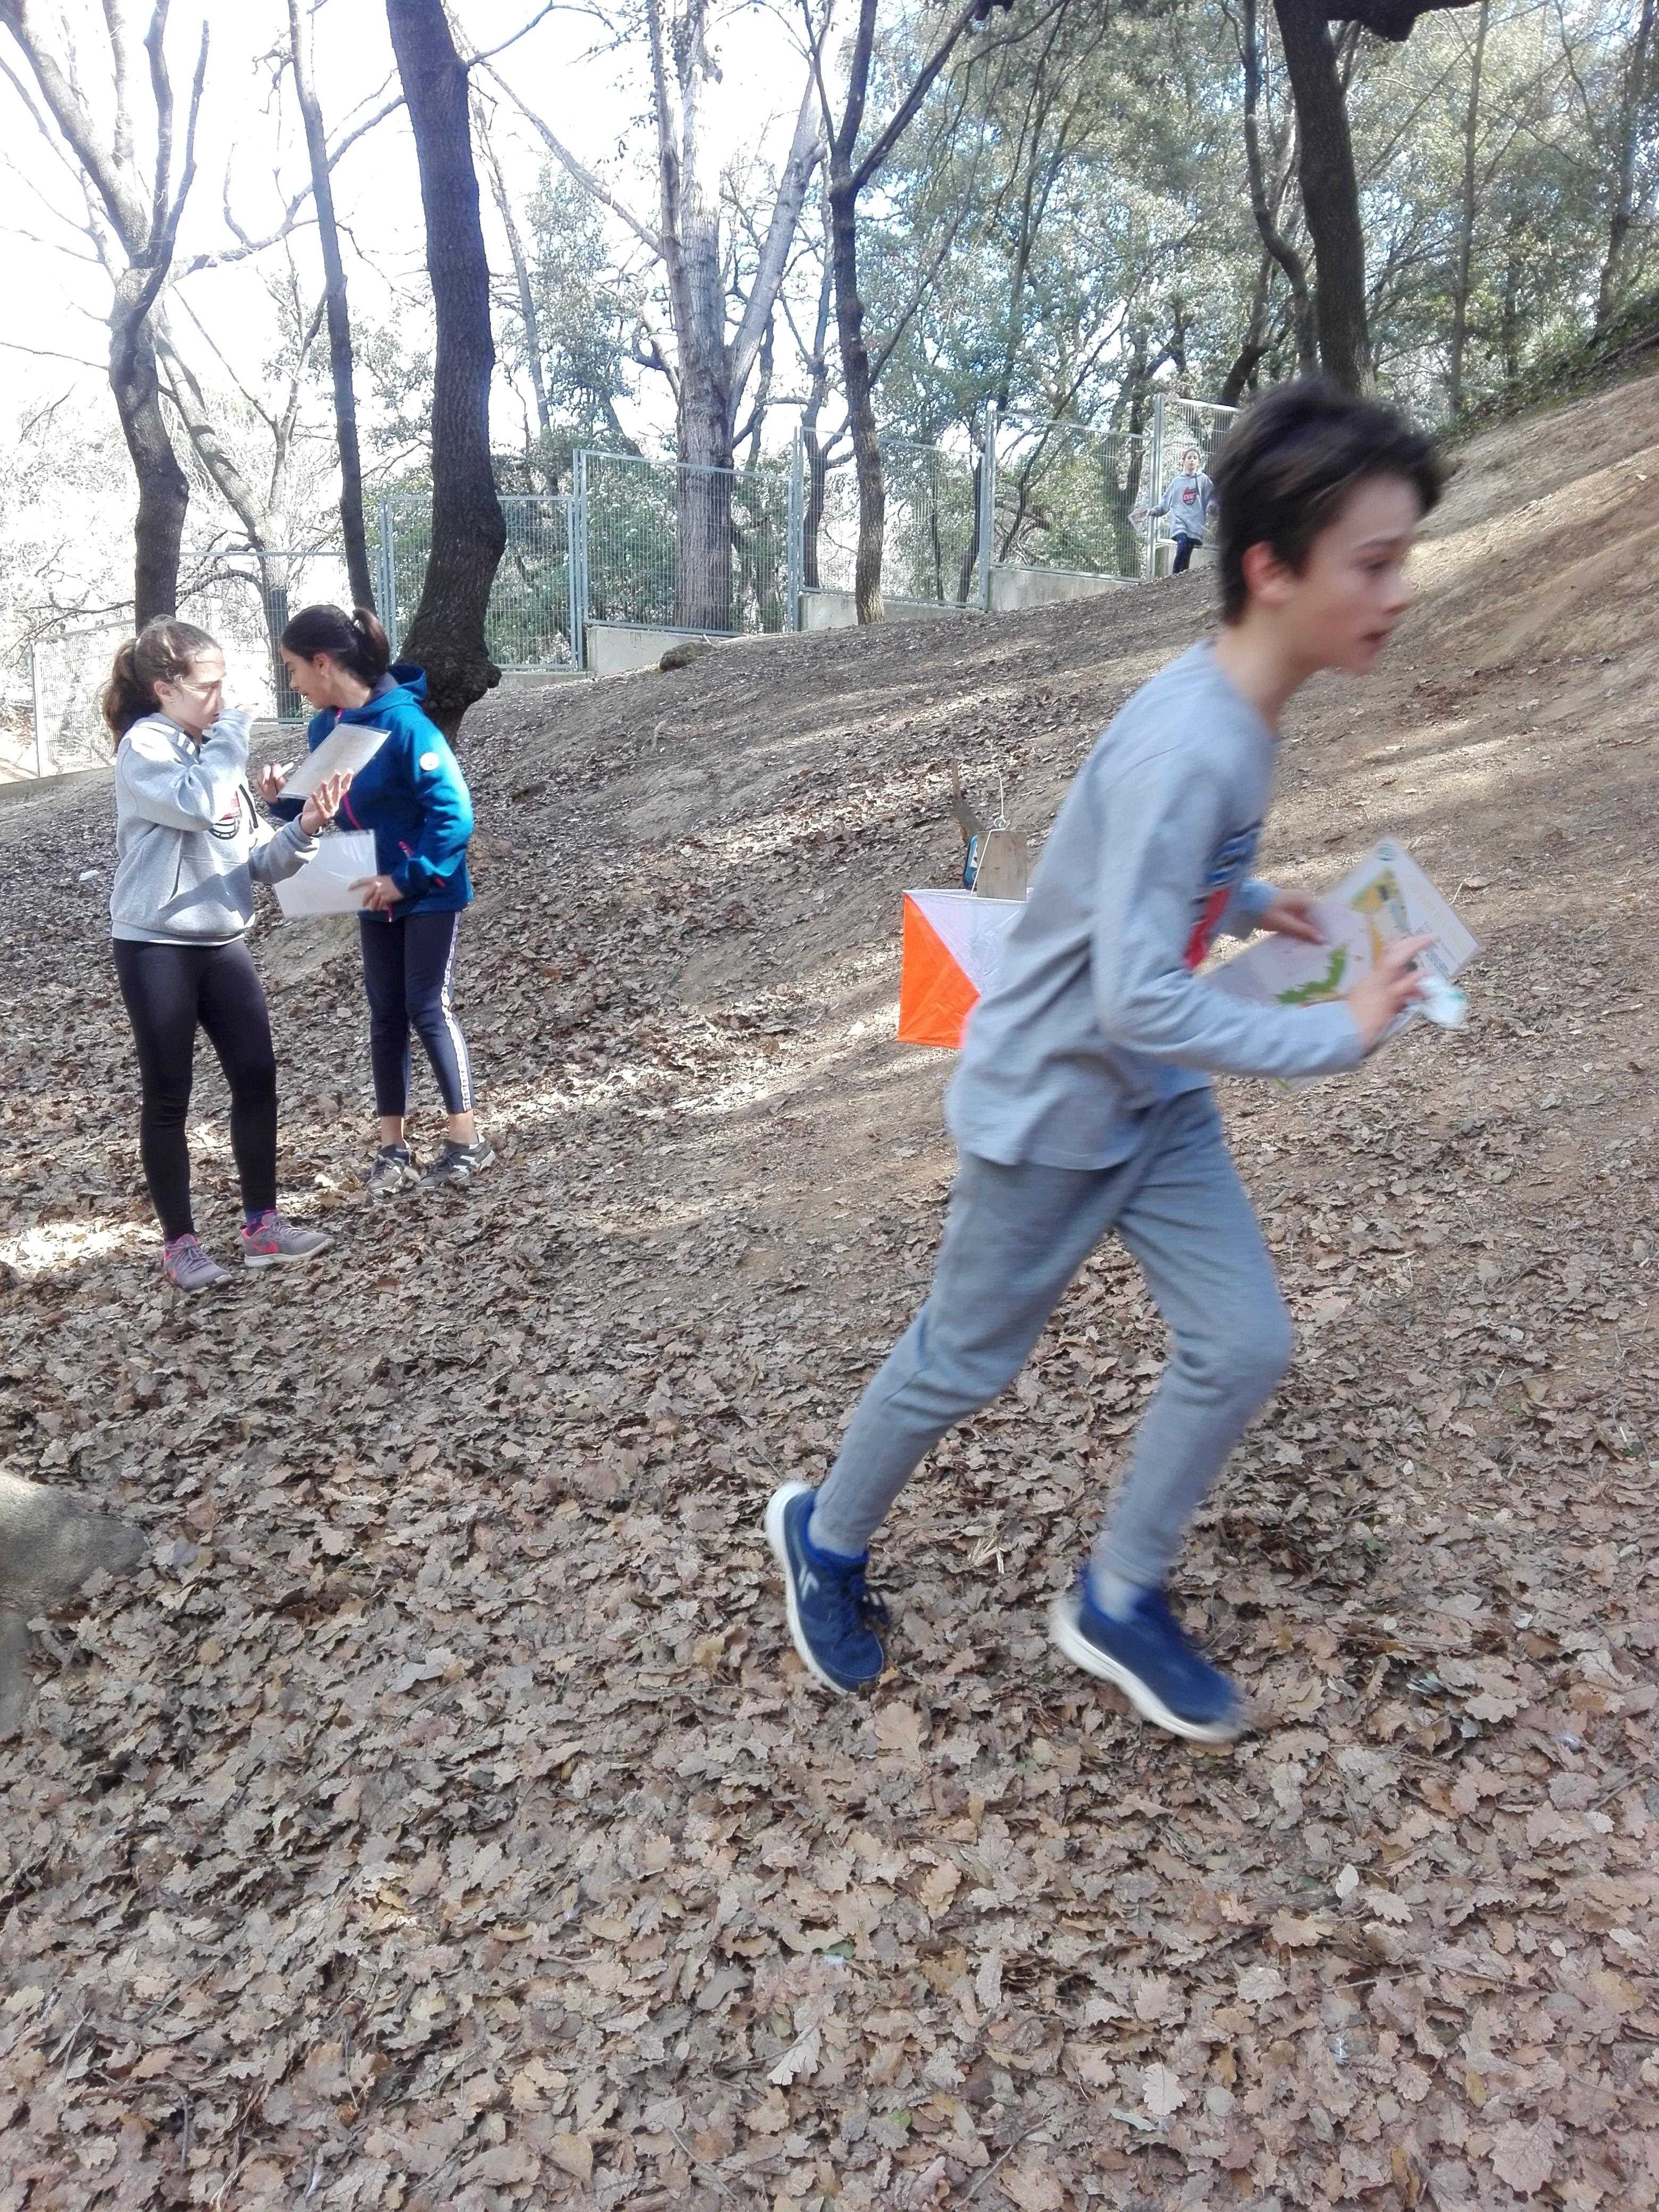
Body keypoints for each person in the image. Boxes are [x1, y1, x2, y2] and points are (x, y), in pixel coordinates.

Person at [767, 378, 1444, 1743]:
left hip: (1153, 1102)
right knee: (962, 1362)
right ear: (1272, 567)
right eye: (1373, 562)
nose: (1398, 589)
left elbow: (1144, 883)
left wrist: (1256, 902)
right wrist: (1336, 1030)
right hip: (1052, 1109)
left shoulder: (1241, 705)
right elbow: (1138, 997)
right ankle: (822, 1536)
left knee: (1242, 1340)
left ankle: (1119, 1597)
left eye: (1400, 558)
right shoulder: (1193, 745)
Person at [106, 618, 350, 1292]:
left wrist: (306, 825)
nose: (223, 699)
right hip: (156, 942)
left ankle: (262, 1226)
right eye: (208, 686)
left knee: (256, 1074)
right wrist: (233, 737)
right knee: (168, 1094)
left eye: (225, 686)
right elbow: (197, 804)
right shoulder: (146, 747)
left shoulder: (214, 753)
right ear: (165, 689)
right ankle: (180, 1245)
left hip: (222, 941)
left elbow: (258, 859)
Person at [268, 606, 492, 1194]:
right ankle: (393, 1148)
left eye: (294, 668)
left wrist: (409, 877)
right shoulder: (327, 728)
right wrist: (282, 801)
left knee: (427, 1005)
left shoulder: (408, 726)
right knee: (385, 1013)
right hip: (370, 889)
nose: (293, 682)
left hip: (427, 890)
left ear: (323, 662)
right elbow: (324, 804)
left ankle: (467, 1139)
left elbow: (454, 814)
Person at [1147, 445, 1216, 573]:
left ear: (1198, 462)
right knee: (1182, 544)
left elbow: (1213, 496)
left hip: (1195, 523)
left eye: (1195, 458)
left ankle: (1182, 578)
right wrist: (1156, 510)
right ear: (1183, 461)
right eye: (1189, 458)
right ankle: (1175, 575)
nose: (1192, 460)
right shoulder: (1177, 482)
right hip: (1179, 522)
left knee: (1187, 552)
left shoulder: (1203, 480)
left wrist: (1212, 506)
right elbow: (1165, 502)